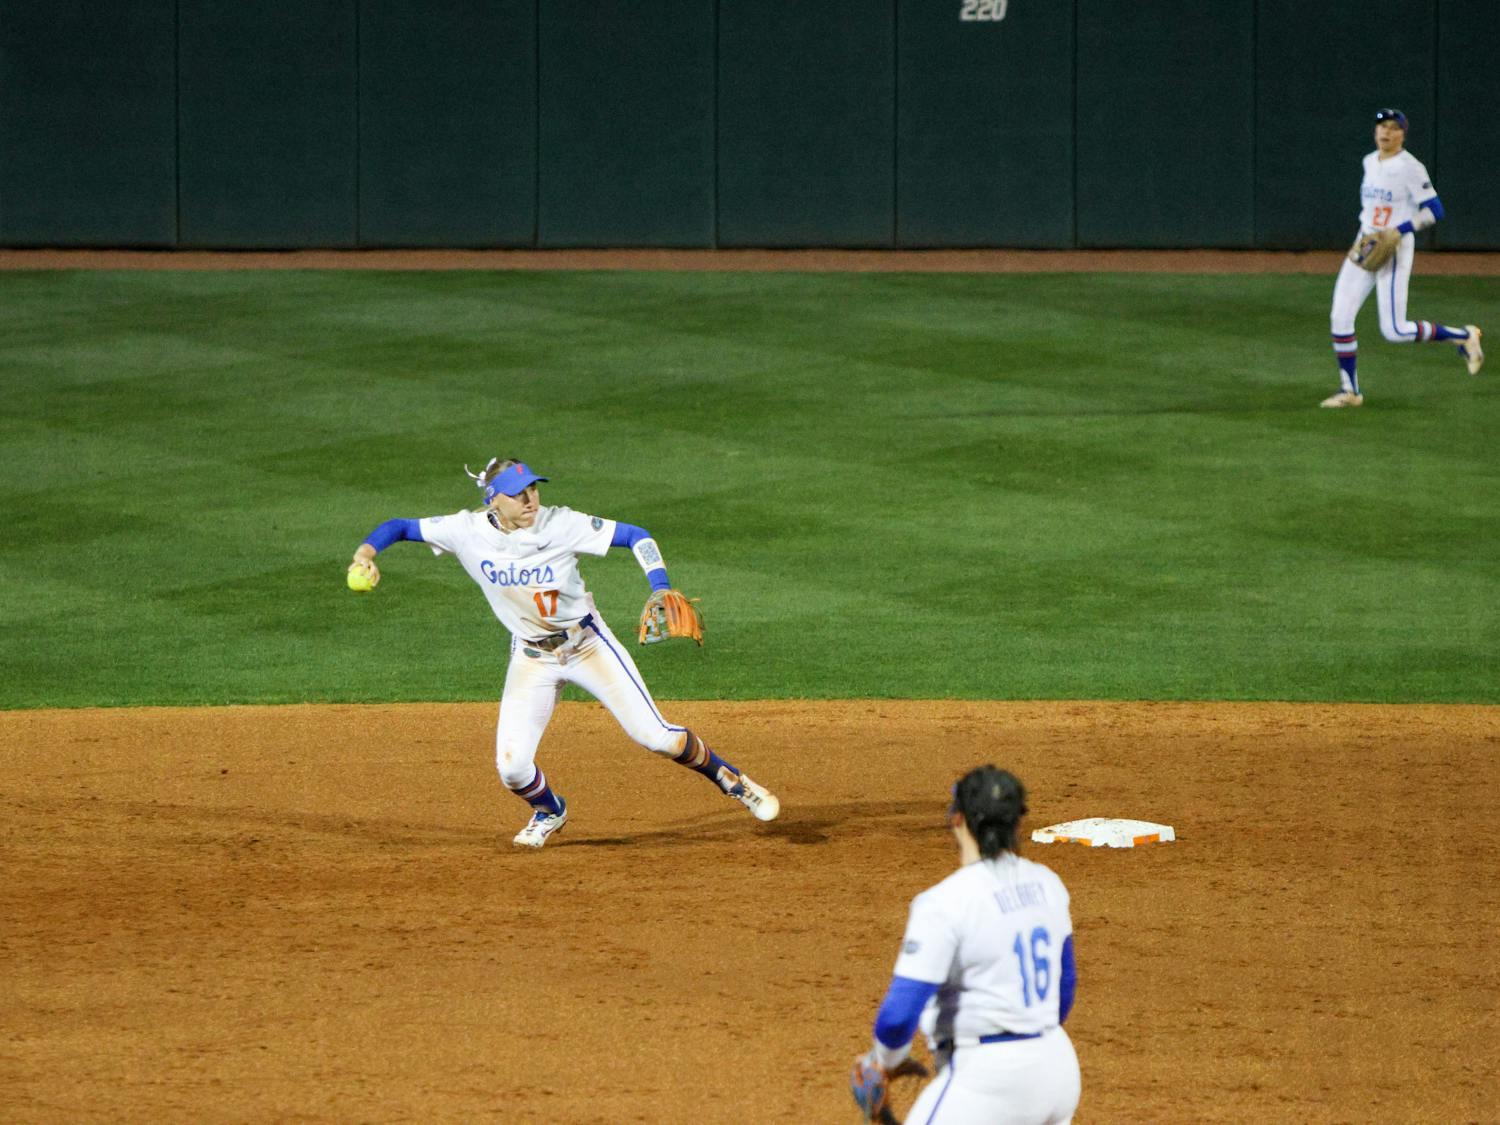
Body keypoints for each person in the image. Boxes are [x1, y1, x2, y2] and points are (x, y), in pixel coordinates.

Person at [348, 457, 780, 849]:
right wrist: (365, 555)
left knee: (657, 737)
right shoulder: (466, 530)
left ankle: (731, 780)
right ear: (493, 500)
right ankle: (550, 810)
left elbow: (637, 536)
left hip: (588, 645)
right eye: (518, 493)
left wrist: (660, 584)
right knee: (512, 769)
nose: (530, 499)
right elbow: (399, 526)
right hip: (531, 658)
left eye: (533, 488)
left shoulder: (561, 523)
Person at [850, 766, 1079, 1125]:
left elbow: (898, 1017)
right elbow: (1063, 992)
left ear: (956, 818)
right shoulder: (1048, 884)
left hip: (989, 1080)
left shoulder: (944, 903)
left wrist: (883, 1063)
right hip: (1058, 1070)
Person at [1323, 107, 1483, 408]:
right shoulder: (1369, 161)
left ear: (1403, 134)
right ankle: (1350, 391)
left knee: (1395, 331)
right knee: (1340, 317)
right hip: (1366, 243)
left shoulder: (1411, 167)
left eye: (1394, 127)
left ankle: (1463, 335)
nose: (1386, 132)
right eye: (1382, 126)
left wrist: (1402, 228)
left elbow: (1435, 210)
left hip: (1395, 247)